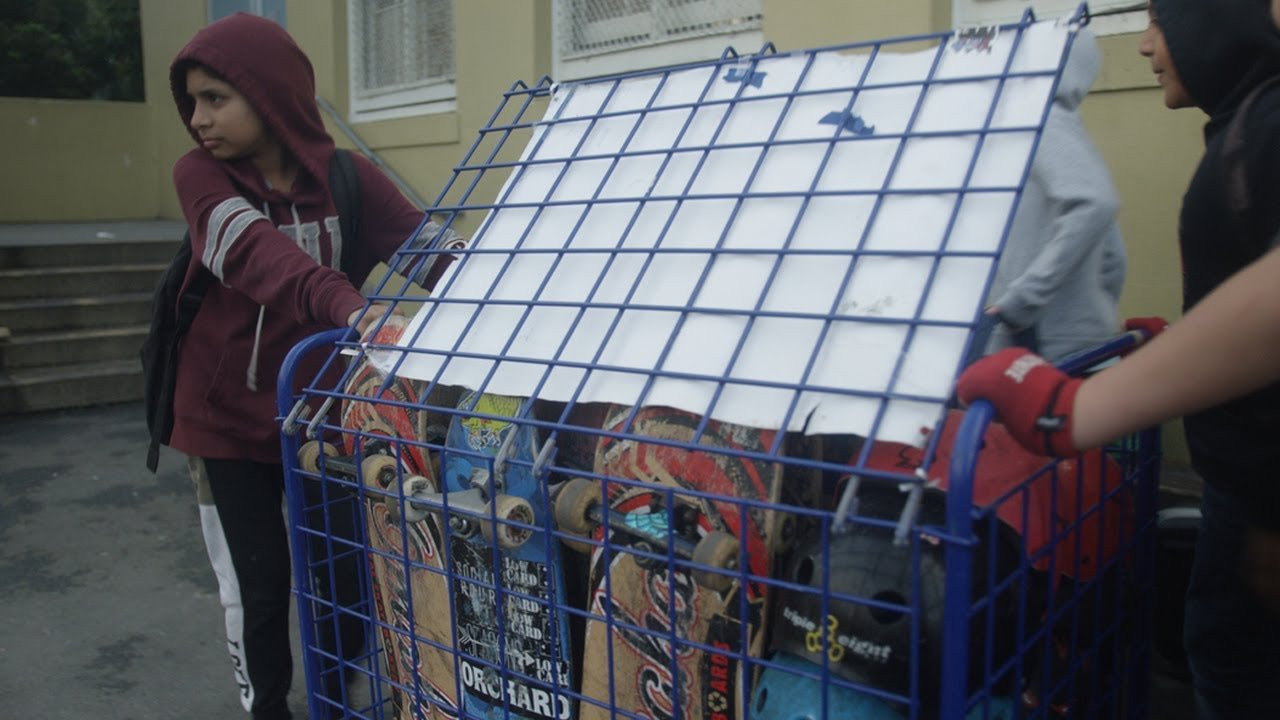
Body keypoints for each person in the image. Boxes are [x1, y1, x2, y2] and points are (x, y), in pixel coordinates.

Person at [955, 1, 1280, 717]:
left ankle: (1055, 675)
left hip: (1067, 384)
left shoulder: (1261, 127)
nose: (1144, 45)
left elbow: (1096, 206)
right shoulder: (1239, 124)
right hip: (1227, 475)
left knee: (1057, 553)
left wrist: (1024, 314)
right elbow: (1114, 245)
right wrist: (1128, 325)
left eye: (1159, 23)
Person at [167, 13, 458, 720]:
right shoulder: (200, 176)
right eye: (193, 101)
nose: (198, 119)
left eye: (216, 98)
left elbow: (437, 256)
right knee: (256, 587)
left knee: (345, 578)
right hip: (223, 426)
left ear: (268, 95)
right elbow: (258, 256)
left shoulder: (347, 179)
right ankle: (267, 707)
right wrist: (351, 307)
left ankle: (341, 697)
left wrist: (514, 288)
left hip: (322, 421)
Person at [976, 27, 1127, 364]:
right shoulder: (1063, 127)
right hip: (1079, 343)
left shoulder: (1038, 122)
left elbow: (1096, 204)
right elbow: (1113, 256)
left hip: (1045, 349)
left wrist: (1024, 299)